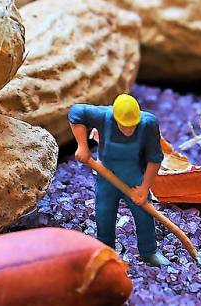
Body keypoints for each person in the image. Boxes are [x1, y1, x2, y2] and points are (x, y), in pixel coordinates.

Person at [68, 94, 170, 266]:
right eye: (124, 126)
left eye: (133, 126)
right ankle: (106, 251)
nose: (129, 130)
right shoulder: (103, 116)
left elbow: (155, 159)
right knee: (104, 213)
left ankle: (149, 252)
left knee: (144, 214)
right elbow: (75, 113)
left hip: (135, 178)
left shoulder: (148, 124)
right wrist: (82, 146)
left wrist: (144, 188)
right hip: (107, 178)